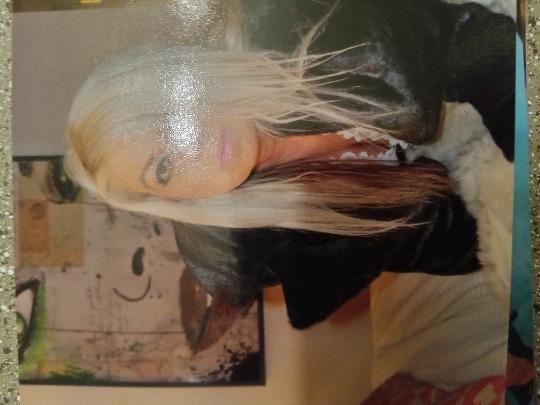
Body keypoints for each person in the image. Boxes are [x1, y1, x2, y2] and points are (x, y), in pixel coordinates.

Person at [64, 0, 515, 329]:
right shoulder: (298, 237)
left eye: (166, 117)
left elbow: (487, 51)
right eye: (163, 168)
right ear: (179, 201)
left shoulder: (301, 28)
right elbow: (466, 244)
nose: (192, 145)